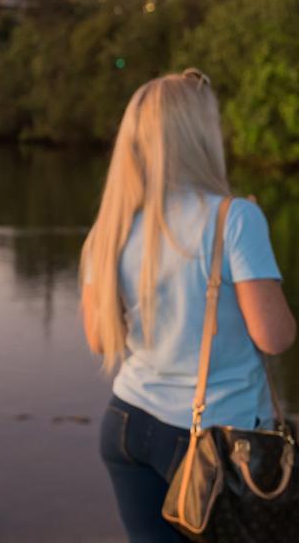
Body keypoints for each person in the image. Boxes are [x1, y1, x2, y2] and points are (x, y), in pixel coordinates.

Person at [80, 69, 295, 542]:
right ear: (200, 133)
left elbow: (99, 338)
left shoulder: (110, 228)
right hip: (217, 443)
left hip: (127, 424)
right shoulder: (235, 217)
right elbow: (275, 337)